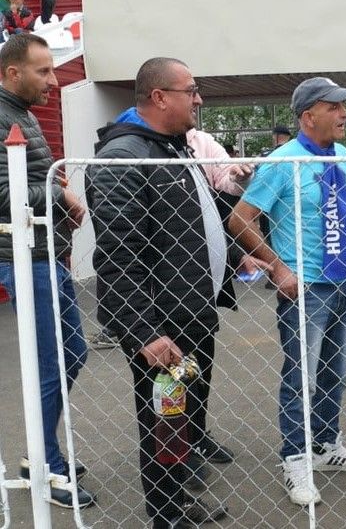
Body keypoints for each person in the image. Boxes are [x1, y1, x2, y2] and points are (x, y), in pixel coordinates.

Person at [87, 57, 252, 528]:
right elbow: (120, 255)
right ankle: (166, 514)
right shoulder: (125, 158)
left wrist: (236, 258)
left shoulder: (169, 149)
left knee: (180, 419)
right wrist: (143, 332)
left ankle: (178, 501)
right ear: (159, 97)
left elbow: (188, 223)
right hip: (161, 325)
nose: (198, 99)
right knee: (163, 422)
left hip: (190, 313)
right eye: (191, 90)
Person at [229, 77, 346, 507]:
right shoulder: (282, 160)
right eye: (336, 107)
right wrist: (278, 267)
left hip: (343, 280)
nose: (345, 114)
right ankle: (295, 458)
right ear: (309, 116)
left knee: (337, 372)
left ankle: (327, 445)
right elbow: (241, 219)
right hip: (305, 286)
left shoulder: (344, 155)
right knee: (301, 378)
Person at [0, 33, 95, 509]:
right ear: (12, 72)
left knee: (70, 355)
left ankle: (43, 452)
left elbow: (33, 180)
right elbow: (4, 194)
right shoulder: (2, 117)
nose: (54, 81)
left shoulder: (22, 115)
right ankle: (44, 462)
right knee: (52, 361)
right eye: (43, 71)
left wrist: (55, 192)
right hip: (24, 258)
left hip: (43, 256)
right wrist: (62, 196)